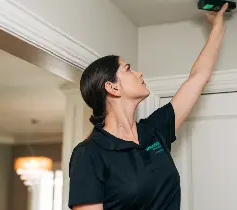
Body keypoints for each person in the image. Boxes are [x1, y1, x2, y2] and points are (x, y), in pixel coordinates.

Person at [68, 3, 228, 210]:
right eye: (128, 69)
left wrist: (218, 26)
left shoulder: (154, 131)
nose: (139, 73)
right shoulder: (89, 154)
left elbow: (198, 77)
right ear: (112, 87)